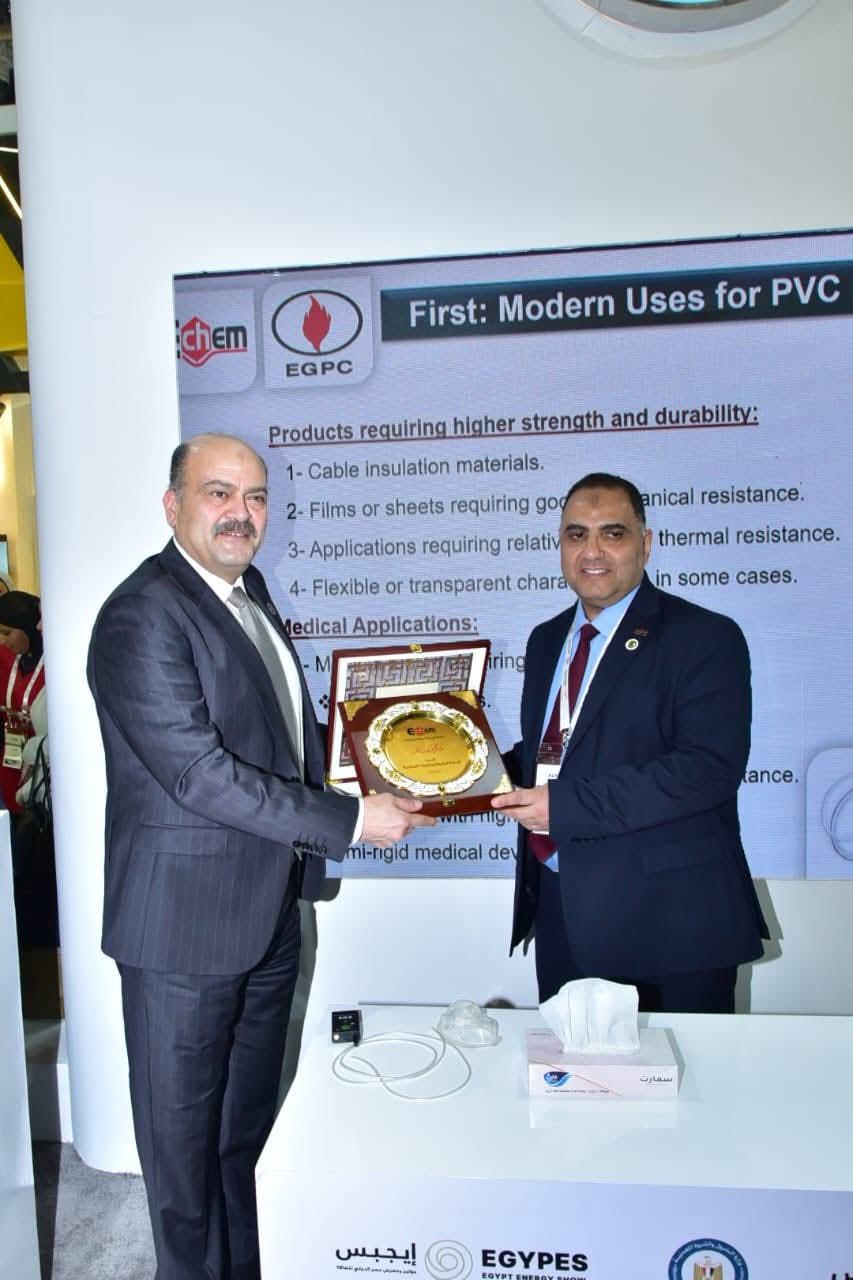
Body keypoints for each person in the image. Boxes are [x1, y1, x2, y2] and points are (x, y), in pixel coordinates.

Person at [88, 432, 435, 1280]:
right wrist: (349, 818)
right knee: (182, 1161)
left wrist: (386, 748)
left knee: (243, 1137)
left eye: (255, 496)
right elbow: (198, 774)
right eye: (218, 493)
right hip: (181, 932)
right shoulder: (141, 614)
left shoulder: (249, 594)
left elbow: (276, 740)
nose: (240, 513)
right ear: (172, 505)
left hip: (267, 912)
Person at [492, 472, 768, 1014]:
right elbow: (552, 751)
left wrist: (563, 807)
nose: (592, 551)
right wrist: (459, 774)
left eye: (612, 534)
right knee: (572, 1068)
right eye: (576, 534)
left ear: (646, 543)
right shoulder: (547, 640)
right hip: (564, 913)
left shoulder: (704, 637)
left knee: (685, 1072)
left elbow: (706, 769)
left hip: (671, 927)